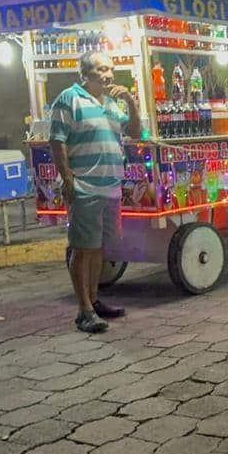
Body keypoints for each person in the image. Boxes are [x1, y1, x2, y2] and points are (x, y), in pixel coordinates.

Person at [50, 52, 140, 333]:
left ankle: (94, 300)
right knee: (83, 247)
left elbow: (136, 133)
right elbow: (57, 140)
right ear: (86, 74)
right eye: (102, 69)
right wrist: (67, 179)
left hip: (110, 187)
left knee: (99, 246)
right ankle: (84, 310)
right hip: (85, 186)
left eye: (111, 69)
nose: (108, 74)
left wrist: (131, 102)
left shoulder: (112, 104)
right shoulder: (69, 98)